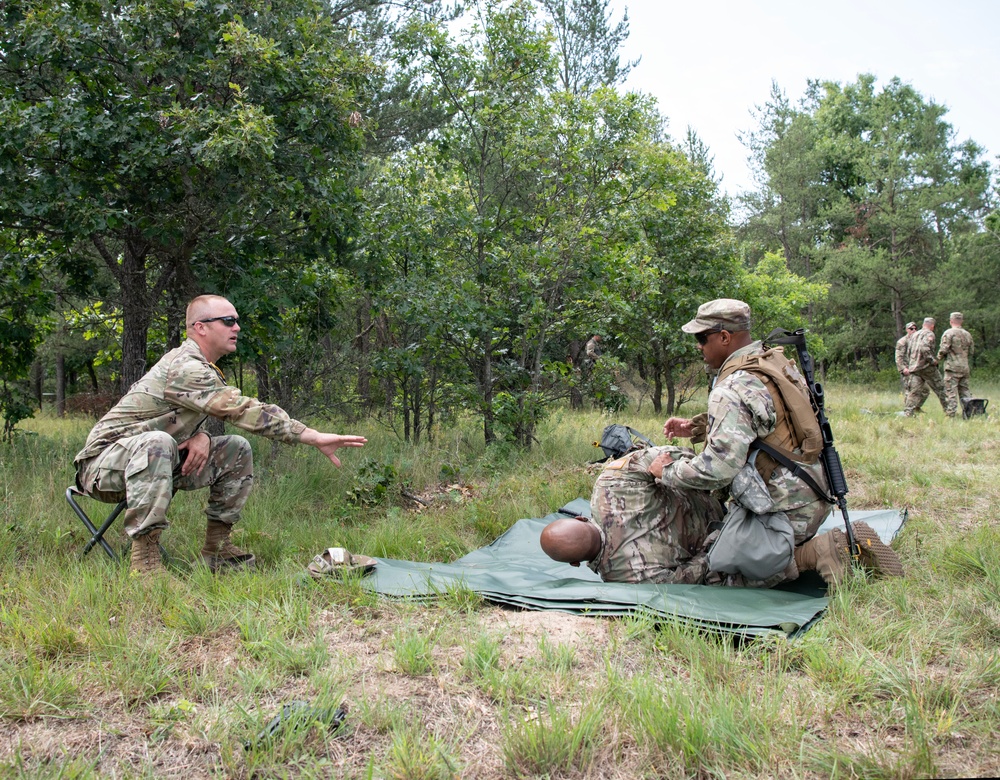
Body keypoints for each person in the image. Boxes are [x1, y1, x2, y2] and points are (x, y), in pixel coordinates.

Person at [542, 298, 903, 588]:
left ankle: (820, 552)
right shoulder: (769, 362)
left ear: (725, 337)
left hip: (787, 509)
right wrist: (696, 431)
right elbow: (768, 418)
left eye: (702, 339)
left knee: (738, 567)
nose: (699, 348)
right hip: (814, 483)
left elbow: (717, 469)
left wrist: (670, 474)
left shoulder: (626, 575)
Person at [74, 295, 368, 576]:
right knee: (158, 442)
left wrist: (201, 435)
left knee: (235, 449)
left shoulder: (203, 367)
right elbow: (241, 409)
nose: (237, 327)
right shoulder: (186, 366)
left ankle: (218, 551)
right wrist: (311, 436)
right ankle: (145, 562)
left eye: (236, 320)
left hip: (152, 461)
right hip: (102, 466)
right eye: (228, 321)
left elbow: (177, 415)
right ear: (200, 327)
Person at [541, 445, 724, 584]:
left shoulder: (626, 580)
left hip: (730, 533)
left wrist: (719, 539)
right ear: (579, 518)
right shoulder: (610, 483)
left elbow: (696, 573)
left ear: (574, 563)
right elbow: (667, 455)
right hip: (717, 487)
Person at [902, 317, 947, 417]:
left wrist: (911, 363)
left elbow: (909, 350)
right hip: (926, 367)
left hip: (914, 368)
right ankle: (949, 411)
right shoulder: (929, 334)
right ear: (932, 326)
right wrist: (932, 361)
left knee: (914, 392)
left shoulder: (914, 335)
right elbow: (924, 348)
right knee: (940, 388)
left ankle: (908, 412)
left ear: (923, 324)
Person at [936, 312, 974, 418]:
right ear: (961, 321)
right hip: (965, 367)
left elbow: (943, 350)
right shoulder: (967, 334)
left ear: (951, 321)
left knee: (950, 391)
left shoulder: (949, 333)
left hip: (952, 368)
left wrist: (937, 360)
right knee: (965, 391)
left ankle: (951, 415)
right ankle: (969, 413)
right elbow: (971, 352)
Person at [895, 322, 917, 394]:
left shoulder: (917, 340)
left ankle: (914, 405)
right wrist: (903, 368)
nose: (913, 330)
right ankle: (908, 405)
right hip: (907, 369)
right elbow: (898, 357)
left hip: (916, 368)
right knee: (909, 390)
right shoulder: (902, 342)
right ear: (907, 330)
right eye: (911, 329)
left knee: (921, 390)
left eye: (915, 328)